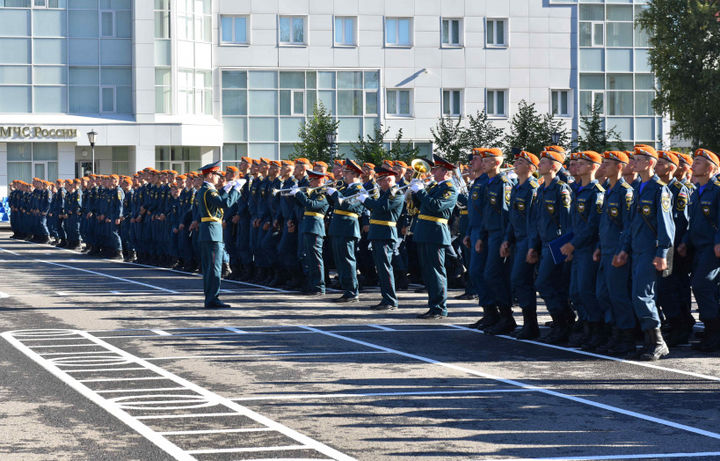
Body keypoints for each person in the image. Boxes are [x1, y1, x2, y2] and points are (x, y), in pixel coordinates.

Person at [613, 144, 675, 361]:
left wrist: (662, 252)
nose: (633, 162)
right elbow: (631, 225)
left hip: (651, 251)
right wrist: (624, 249)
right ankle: (650, 340)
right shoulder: (638, 188)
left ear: (649, 163)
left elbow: (666, 225)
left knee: (643, 296)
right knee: (638, 296)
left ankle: (658, 342)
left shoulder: (660, 189)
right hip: (637, 250)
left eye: (638, 159)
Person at [527, 150, 573, 344]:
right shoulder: (541, 189)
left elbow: (568, 221)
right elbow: (537, 221)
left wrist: (568, 246)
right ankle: (562, 322)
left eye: (544, 162)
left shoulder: (561, 189)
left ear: (554, 166)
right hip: (544, 244)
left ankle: (563, 323)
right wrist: (533, 246)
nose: (540, 164)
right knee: (550, 285)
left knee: (546, 284)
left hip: (557, 245)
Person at [593, 151, 636, 356]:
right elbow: (605, 224)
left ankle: (626, 338)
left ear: (620, 166)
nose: (603, 167)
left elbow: (627, 226)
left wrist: (623, 250)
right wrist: (600, 247)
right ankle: (614, 333)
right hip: (606, 249)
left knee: (618, 296)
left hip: (617, 251)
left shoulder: (625, 192)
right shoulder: (608, 190)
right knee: (604, 294)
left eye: (607, 164)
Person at [678, 149, 720, 352]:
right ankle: (712, 330)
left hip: (712, 248)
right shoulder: (696, 190)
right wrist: (685, 241)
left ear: (710, 168)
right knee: (706, 288)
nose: (693, 165)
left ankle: (714, 333)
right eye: (694, 161)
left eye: (699, 162)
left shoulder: (717, 189)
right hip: (698, 248)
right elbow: (692, 222)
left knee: (701, 285)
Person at [410, 154, 458, 319]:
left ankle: (439, 308)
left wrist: (421, 191)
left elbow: (436, 206)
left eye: (435, 169)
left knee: (436, 272)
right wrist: (415, 192)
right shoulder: (435, 187)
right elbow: (420, 206)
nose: (431, 172)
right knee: (429, 272)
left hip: (435, 232)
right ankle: (433, 306)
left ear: (444, 171)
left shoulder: (449, 188)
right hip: (424, 231)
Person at [501, 151, 540, 339]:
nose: (515, 164)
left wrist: (532, 246)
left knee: (521, 280)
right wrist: (507, 239)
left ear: (531, 168)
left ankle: (531, 324)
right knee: (517, 281)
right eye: (516, 161)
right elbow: (512, 218)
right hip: (517, 239)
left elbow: (533, 221)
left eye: (521, 162)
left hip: (527, 240)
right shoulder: (517, 187)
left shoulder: (532, 188)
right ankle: (528, 323)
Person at [478, 148, 517, 334]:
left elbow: (506, 214)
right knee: (488, 275)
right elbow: (487, 213)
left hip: (500, 235)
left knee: (493, 275)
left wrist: (505, 240)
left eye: (486, 161)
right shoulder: (490, 183)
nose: (482, 164)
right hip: (490, 234)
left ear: (496, 163)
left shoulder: (503, 183)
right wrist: (482, 236)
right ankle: (500, 316)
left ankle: (507, 317)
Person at [358, 165, 406, 310]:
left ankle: (390, 300)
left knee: (385, 268)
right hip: (379, 233)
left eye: (381, 180)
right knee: (381, 268)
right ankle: (386, 298)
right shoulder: (385, 193)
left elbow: (381, 207)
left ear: (389, 179)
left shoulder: (395, 193)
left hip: (386, 233)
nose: (378, 183)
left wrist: (365, 200)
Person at [197, 161, 243, 308]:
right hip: (212, 232)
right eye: (217, 174)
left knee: (210, 268)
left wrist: (226, 189)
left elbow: (218, 200)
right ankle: (212, 299)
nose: (219, 177)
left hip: (208, 231)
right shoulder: (209, 191)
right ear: (210, 175)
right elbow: (225, 204)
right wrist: (236, 190)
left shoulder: (205, 189)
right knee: (214, 268)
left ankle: (210, 298)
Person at [326, 160, 365, 303]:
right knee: (340, 261)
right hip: (338, 227)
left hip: (348, 227)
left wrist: (335, 195)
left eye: (347, 172)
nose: (344, 175)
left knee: (348, 261)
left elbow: (349, 206)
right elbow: (335, 204)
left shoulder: (359, 189)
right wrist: (329, 194)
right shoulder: (345, 188)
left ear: (354, 174)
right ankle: (346, 289)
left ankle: (352, 291)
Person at [292, 169, 330, 296]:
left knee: (316, 258)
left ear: (319, 181)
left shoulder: (322, 194)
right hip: (308, 226)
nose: (310, 182)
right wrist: (296, 195)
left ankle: (319, 286)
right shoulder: (313, 193)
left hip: (315, 227)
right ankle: (312, 284)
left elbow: (312, 205)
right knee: (309, 258)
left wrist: (299, 194)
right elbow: (302, 204)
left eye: (312, 180)